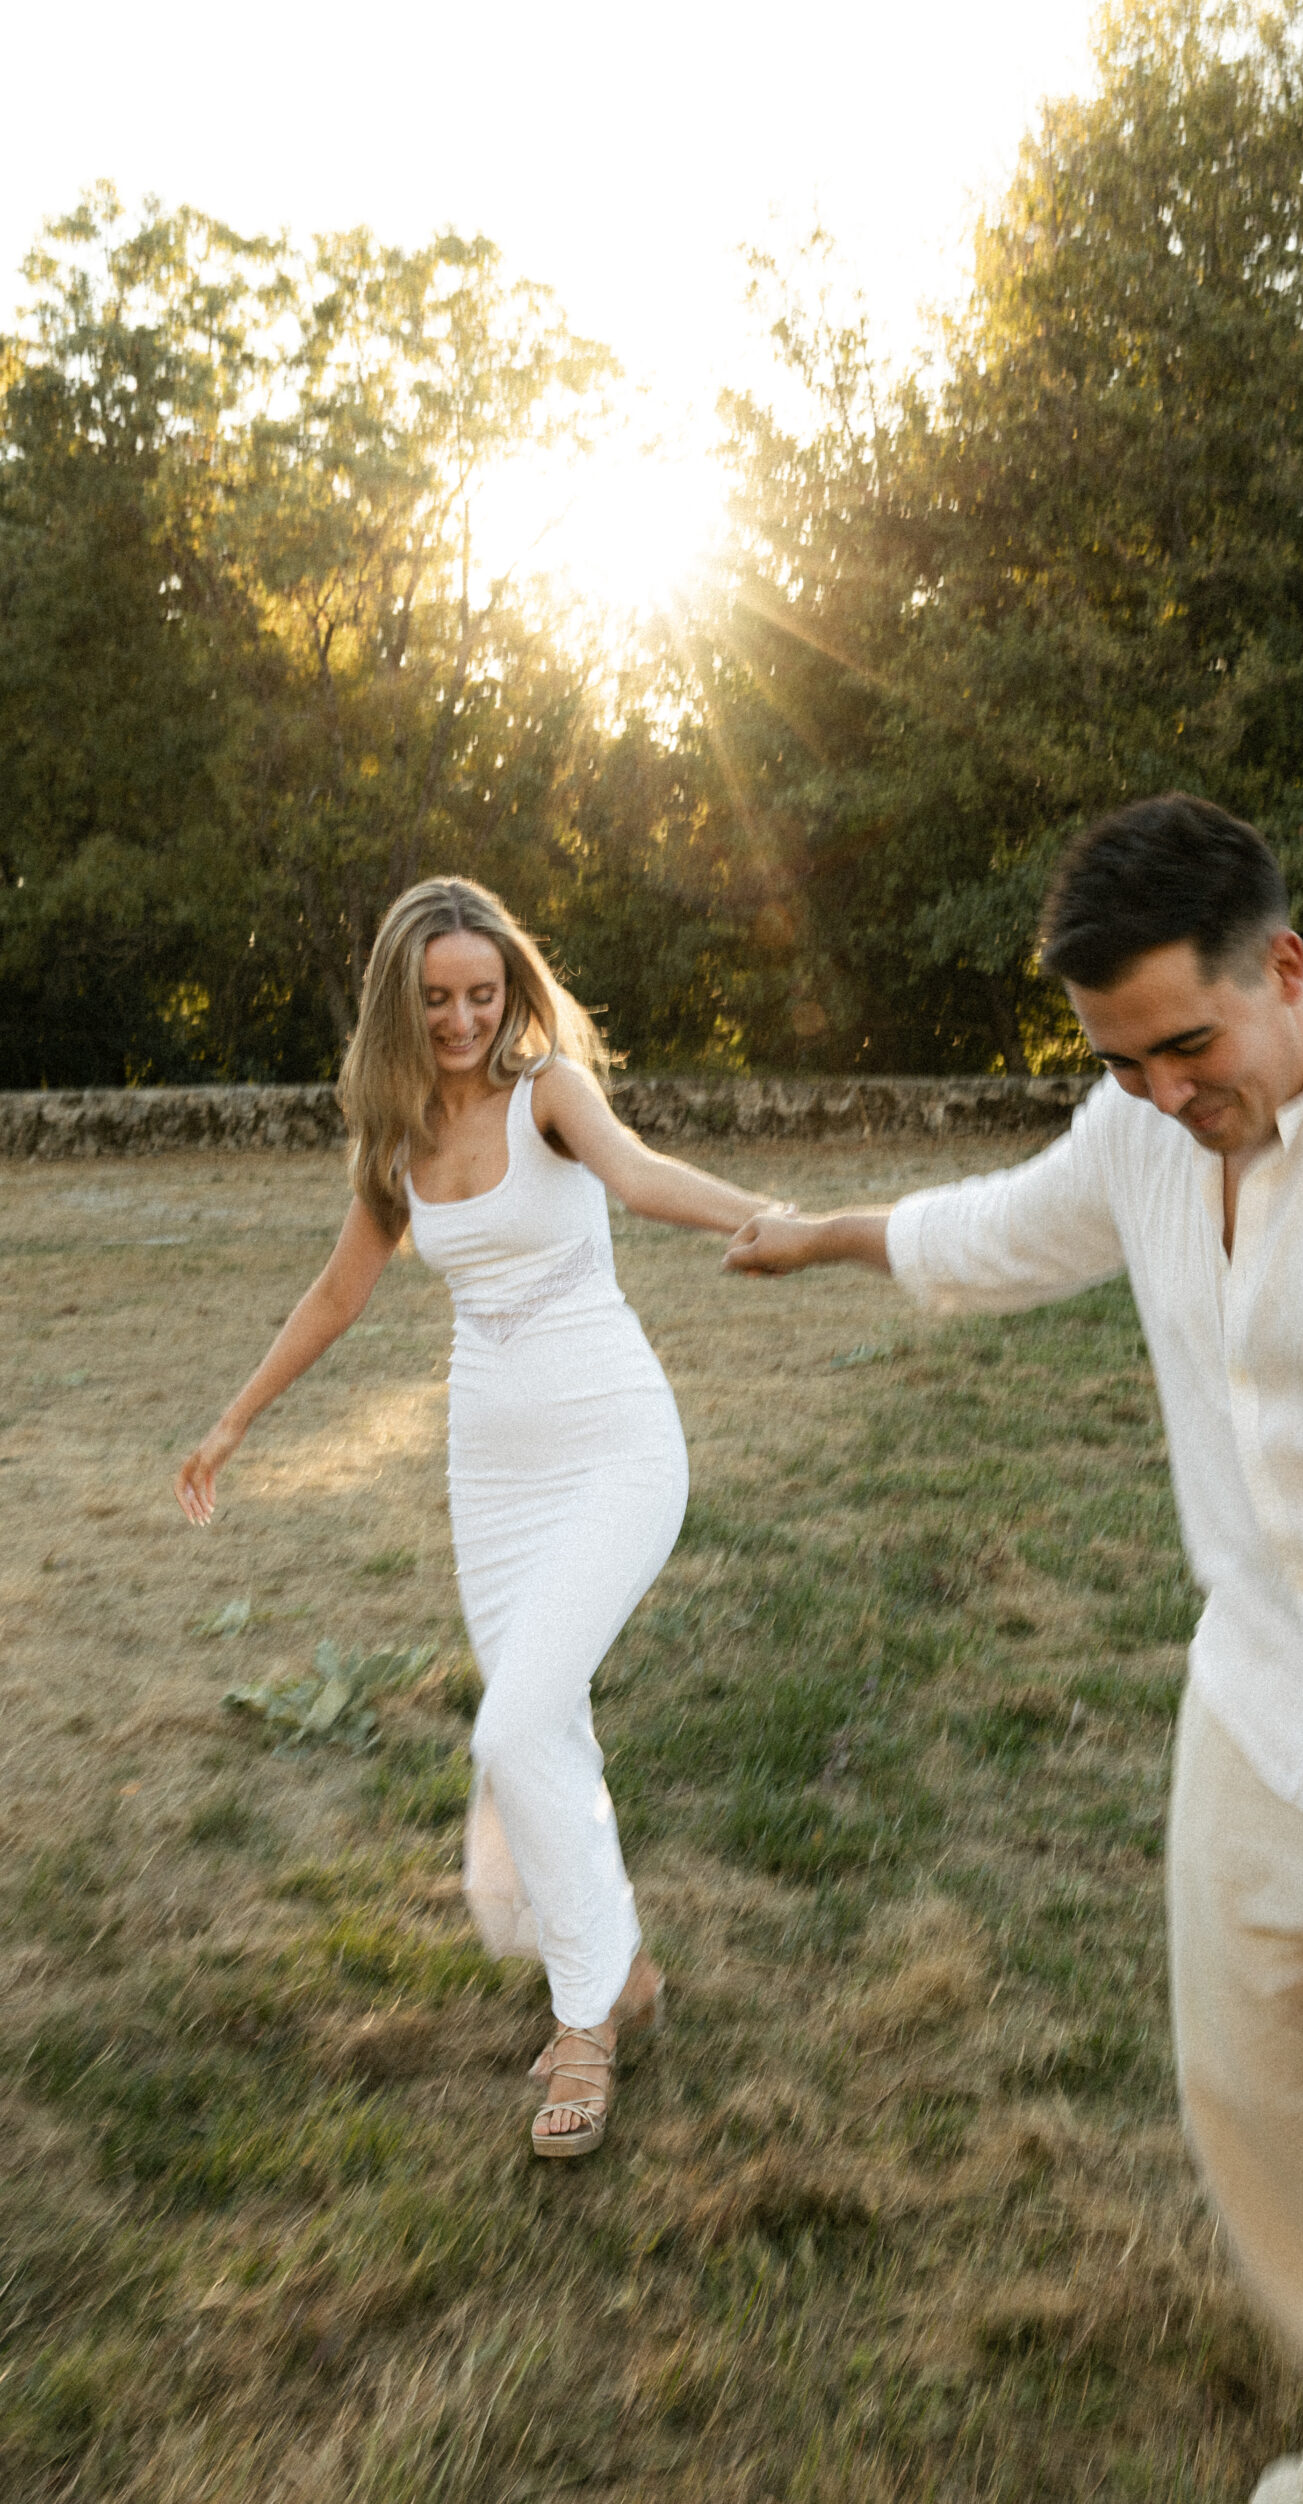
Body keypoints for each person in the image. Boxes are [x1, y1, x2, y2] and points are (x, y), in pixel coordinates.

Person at [723, 795, 1303, 2504]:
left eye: (1182, 1045)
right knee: (1258, 2098)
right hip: (1264, 1692)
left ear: (1282, 969)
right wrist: (833, 1235)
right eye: (1115, 1062)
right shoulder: (1150, 1113)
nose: (1158, 1095)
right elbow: (1018, 1223)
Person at [176, 876, 786, 2160]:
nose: (463, 1020)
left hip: (616, 1444)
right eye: (439, 998)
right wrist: (234, 1420)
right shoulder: (395, 1140)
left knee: (512, 1722)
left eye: (483, 993)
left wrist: (760, 1215)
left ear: (511, 989)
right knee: (539, 1727)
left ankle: (583, 2025)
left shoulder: (547, 1091)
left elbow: (636, 1171)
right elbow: (336, 1296)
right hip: (493, 1474)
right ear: (403, 1000)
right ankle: (616, 1967)